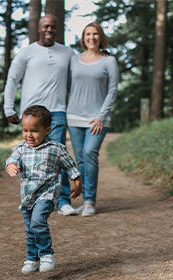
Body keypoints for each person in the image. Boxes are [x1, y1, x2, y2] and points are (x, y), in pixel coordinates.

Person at [3, 14, 78, 216]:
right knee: (30, 159)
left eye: (53, 27)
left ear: (57, 29)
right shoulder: (26, 52)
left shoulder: (68, 53)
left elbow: (81, 75)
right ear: (38, 28)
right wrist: (8, 109)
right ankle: (35, 199)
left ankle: (62, 201)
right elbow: (12, 80)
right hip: (31, 114)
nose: (49, 30)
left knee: (59, 156)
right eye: (45, 26)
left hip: (57, 112)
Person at [6, 106, 82, 273]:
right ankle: (32, 258)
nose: (29, 135)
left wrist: (77, 183)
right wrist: (11, 165)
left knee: (38, 222)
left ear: (47, 130)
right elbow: (12, 159)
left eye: (34, 130)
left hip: (47, 194)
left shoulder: (55, 149)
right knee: (29, 229)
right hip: (27, 197)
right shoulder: (21, 148)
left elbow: (70, 167)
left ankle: (47, 254)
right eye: (25, 130)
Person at [66, 22, 119, 217]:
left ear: (100, 37)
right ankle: (85, 199)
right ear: (83, 38)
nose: (91, 37)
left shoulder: (109, 61)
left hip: (97, 119)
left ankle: (90, 202)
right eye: (88, 34)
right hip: (74, 116)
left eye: (95, 34)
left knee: (90, 152)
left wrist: (100, 116)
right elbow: (70, 85)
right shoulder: (74, 60)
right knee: (80, 159)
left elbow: (113, 90)